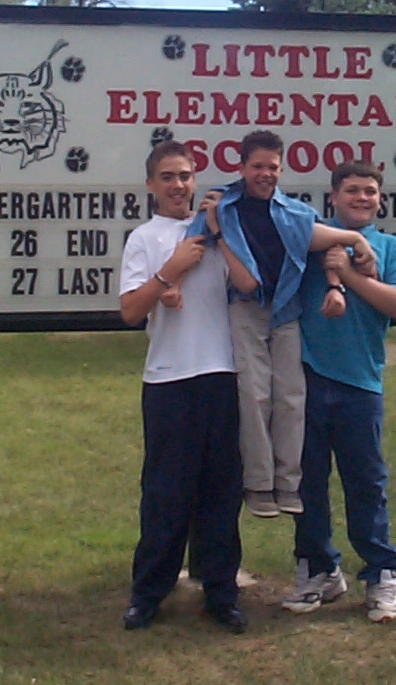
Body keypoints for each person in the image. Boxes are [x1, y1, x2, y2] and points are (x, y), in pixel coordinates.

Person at [188, 130, 375, 520]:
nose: (265, 174)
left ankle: (288, 483)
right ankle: (259, 484)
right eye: (257, 166)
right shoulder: (222, 206)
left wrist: (354, 250)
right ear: (242, 167)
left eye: (272, 167)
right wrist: (170, 284)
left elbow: (324, 241)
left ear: (281, 168)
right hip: (245, 307)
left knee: (291, 395)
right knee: (254, 394)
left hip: (286, 308)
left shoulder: (293, 212)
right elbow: (193, 243)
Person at [119, 140, 257, 634]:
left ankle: (221, 592)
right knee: (165, 494)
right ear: (151, 185)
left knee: (221, 492)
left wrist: (219, 233)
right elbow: (130, 310)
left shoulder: (219, 232)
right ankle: (148, 593)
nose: (178, 185)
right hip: (168, 379)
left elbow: (248, 284)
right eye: (168, 177)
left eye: (185, 176)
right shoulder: (144, 238)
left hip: (221, 374)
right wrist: (169, 273)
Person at [281, 160, 396, 623]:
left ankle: (381, 573)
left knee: (366, 483)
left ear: (380, 199)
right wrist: (347, 245)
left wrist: (353, 278)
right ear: (333, 196)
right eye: (353, 190)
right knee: (307, 482)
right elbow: (287, 234)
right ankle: (319, 568)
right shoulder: (312, 240)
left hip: (361, 382)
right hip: (307, 379)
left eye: (370, 191)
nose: (362, 198)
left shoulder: (390, 247)